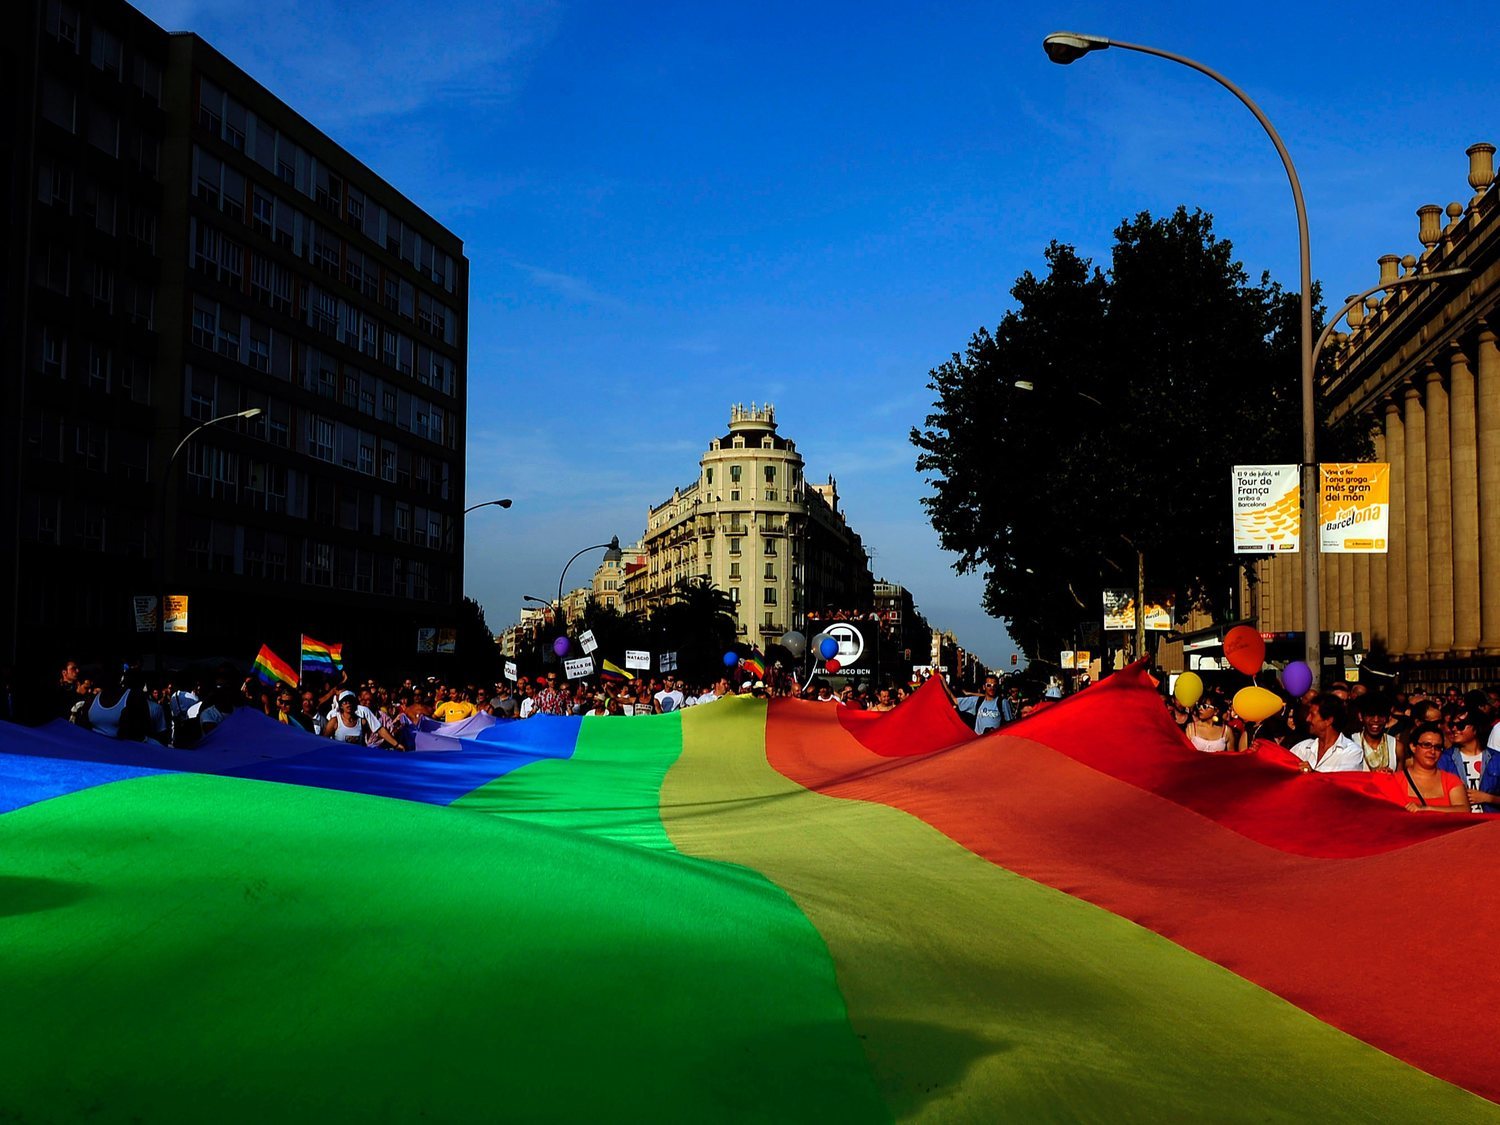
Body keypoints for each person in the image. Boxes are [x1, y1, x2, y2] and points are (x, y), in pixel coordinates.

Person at [1397, 723, 1471, 812]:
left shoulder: (1451, 780)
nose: (1432, 751)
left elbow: (1464, 810)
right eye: (1426, 745)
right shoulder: (1396, 780)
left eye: (1437, 747)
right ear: (1413, 747)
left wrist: (1426, 809)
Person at [1437, 707, 1499, 814]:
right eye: (1452, 725)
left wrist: (1488, 798)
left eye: (1461, 726)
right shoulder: (1444, 759)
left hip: (1490, 823)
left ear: (1476, 728)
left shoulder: (1496, 759)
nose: (1454, 729)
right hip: (1459, 823)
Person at [1288, 693, 1366, 773]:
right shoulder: (1301, 748)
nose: (1308, 719)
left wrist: (1312, 774)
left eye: (1312, 715)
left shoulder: (1352, 752)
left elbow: (1343, 782)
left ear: (1328, 720)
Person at [1354, 694, 1399, 772]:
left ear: (1388, 718)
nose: (1376, 720)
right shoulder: (1351, 743)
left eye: (1381, 715)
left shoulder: (1397, 747)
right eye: (1370, 715)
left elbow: (1400, 781)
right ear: (1361, 717)